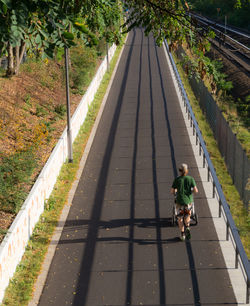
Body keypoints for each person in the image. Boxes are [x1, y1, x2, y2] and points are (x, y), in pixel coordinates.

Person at [171, 163, 198, 241]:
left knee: (180, 218)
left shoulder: (177, 179)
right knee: (187, 215)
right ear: (187, 171)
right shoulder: (191, 179)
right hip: (188, 201)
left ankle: (182, 234)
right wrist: (191, 191)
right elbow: (196, 191)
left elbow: (172, 191)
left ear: (180, 171)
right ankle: (188, 227)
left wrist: (176, 191)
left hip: (179, 201)